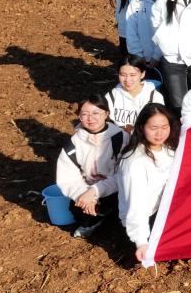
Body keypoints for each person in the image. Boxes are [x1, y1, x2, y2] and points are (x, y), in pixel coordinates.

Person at [54, 95, 128, 238]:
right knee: (78, 210)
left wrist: (95, 191)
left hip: (116, 187)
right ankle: (92, 221)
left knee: (122, 206)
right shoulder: (73, 143)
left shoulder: (120, 138)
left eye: (96, 113)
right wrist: (85, 195)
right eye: (85, 114)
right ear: (79, 117)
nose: (90, 118)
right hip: (87, 190)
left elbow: (124, 173)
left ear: (106, 114)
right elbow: (68, 179)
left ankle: (117, 218)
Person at [117, 103, 179, 263]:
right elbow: (136, 204)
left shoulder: (169, 149)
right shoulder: (135, 161)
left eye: (164, 127)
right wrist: (141, 242)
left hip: (165, 210)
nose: (159, 133)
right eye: (153, 128)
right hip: (146, 219)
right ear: (141, 127)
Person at [105, 56, 165, 133]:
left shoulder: (154, 97)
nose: (127, 79)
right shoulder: (111, 96)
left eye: (132, 75)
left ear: (142, 74)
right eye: (123, 75)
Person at [125, 0, 164, 67]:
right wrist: (137, 54)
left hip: (166, 56)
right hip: (143, 57)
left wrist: (157, 56)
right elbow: (131, 31)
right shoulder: (136, 3)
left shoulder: (169, 2)